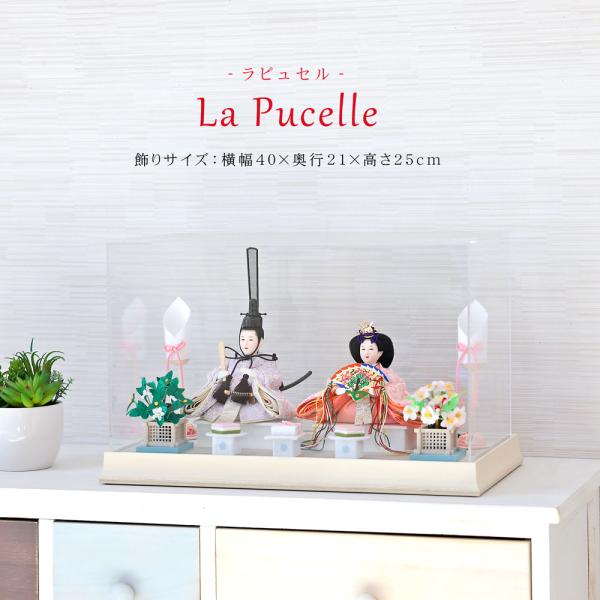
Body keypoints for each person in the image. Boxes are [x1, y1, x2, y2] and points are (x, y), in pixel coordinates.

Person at [186, 248, 302, 423]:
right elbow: (214, 374)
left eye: (250, 339)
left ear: (260, 342)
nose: (245, 343)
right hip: (224, 404)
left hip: (251, 406)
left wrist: (256, 376)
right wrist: (219, 375)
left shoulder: (265, 362)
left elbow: (275, 379)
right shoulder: (233, 361)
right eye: (242, 339)